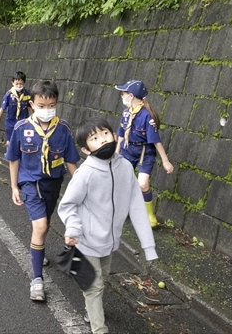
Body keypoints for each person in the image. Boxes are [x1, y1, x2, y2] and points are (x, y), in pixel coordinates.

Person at [58, 117, 158, 334]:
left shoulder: (124, 168)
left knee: (102, 280)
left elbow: (137, 205)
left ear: (114, 135)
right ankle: (99, 328)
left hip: (110, 242)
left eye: (105, 133)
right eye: (95, 138)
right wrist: (73, 228)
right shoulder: (85, 173)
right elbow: (67, 205)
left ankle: (91, 311)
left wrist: (148, 247)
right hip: (86, 241)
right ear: (86, 149)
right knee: (93, 287)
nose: (103, 140)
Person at [5, 80, 80, 302]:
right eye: (41, 105)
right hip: (30, 183)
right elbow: (14, 160)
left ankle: (39, 251)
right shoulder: (21, 128)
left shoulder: (63, 129)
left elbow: (71, 161)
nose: (46, 110)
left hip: (53, 184)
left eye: (51, 106)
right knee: (40, 225)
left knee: (45, 224)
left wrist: (82, 186)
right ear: (32, 104)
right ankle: (37, 280)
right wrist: (14, 187)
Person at [114, 80, 173, 227]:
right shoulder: (126, 113)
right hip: (128, 149)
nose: (122, 96)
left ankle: (149, 215)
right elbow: (121, 134)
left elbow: (155, 141)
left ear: (131, 95)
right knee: (123, 181)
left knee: (143, 184)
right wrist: (116, 153)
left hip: (144, 153)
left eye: (124, 94)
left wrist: (165, 161)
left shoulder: (147, 116)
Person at [0, 71, 32, 146]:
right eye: (17, 84)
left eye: (21, 84)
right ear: (12, 83)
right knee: (10, 141)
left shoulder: (27, 94)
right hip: (11, 122)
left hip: (23, 121)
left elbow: (30, 107)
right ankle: (9, 154)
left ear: (24, 83)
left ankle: (19, 155)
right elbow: (2, 108)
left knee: (22, 140)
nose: (19, 86)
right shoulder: (8, 95)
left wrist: (32, 119)